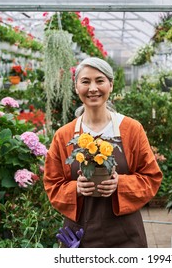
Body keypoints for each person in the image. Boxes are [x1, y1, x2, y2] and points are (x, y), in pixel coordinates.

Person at [43, 57, 163, 248]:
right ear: (76, 87)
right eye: (85, 81)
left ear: (111, 85)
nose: (93, 88)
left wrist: (120, 184)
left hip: (126, 236)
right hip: (79, 236)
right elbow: (52, 184)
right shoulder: (64, 135)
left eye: (99, 81)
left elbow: (151, 177)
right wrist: (76, 188)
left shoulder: (131, 129)